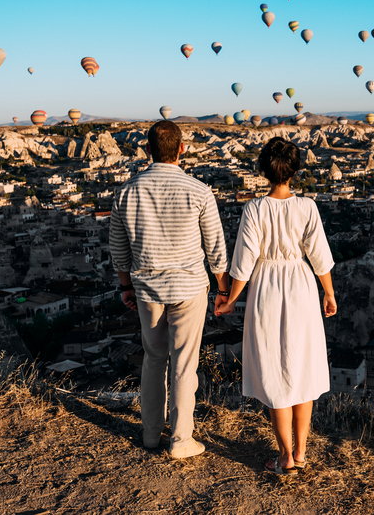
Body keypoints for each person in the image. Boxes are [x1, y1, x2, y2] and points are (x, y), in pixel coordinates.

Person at [215, 137, 337, 475]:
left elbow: (243, 262)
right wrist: (328, 293)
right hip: (301, 285)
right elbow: (319, 256)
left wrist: (231, 300)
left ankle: (284, 455)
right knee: (302, 369)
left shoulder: (254, 209)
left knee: (275, 370)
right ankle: (300, 453)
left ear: (262, 170)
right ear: (296, 170)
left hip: (267, 286)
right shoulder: (307, 206)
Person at [110, 120, 229, 459]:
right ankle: (180, 440)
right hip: (189, 286)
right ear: (181, 149)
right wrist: (223, 290)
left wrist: (125, 286)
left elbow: (118, 248)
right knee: (183, 365)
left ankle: (149, 436)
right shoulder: (199, 190)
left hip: (146, 288)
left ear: (148, 150)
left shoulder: (127, 191)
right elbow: (216, 249)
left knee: (153, 359)